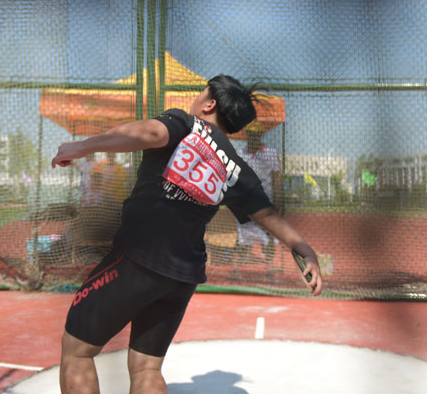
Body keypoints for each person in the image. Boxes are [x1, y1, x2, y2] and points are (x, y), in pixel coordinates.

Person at [51, 74, 323, 394]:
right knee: (146, 367)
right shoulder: (236, 167)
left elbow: (150, 132)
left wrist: (81, 146)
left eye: (201, 92)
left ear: (209, 104)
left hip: (139, 258)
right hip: (182, 276)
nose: (196, 98)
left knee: (78, 350)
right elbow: (267, 215)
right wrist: (305, 250)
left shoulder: (184, 123)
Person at [232, 122, 282, 279]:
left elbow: (276, 179)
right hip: (245, 203)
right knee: (242, 237)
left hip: (265, 204)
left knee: (269, 237)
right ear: (247, 136)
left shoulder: (271, 154)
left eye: (256, 135)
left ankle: (270, 269)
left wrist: (278, 202)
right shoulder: (240, 154)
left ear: (261, 136)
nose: (253, 137)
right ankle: (236, 270)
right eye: (251, 135)